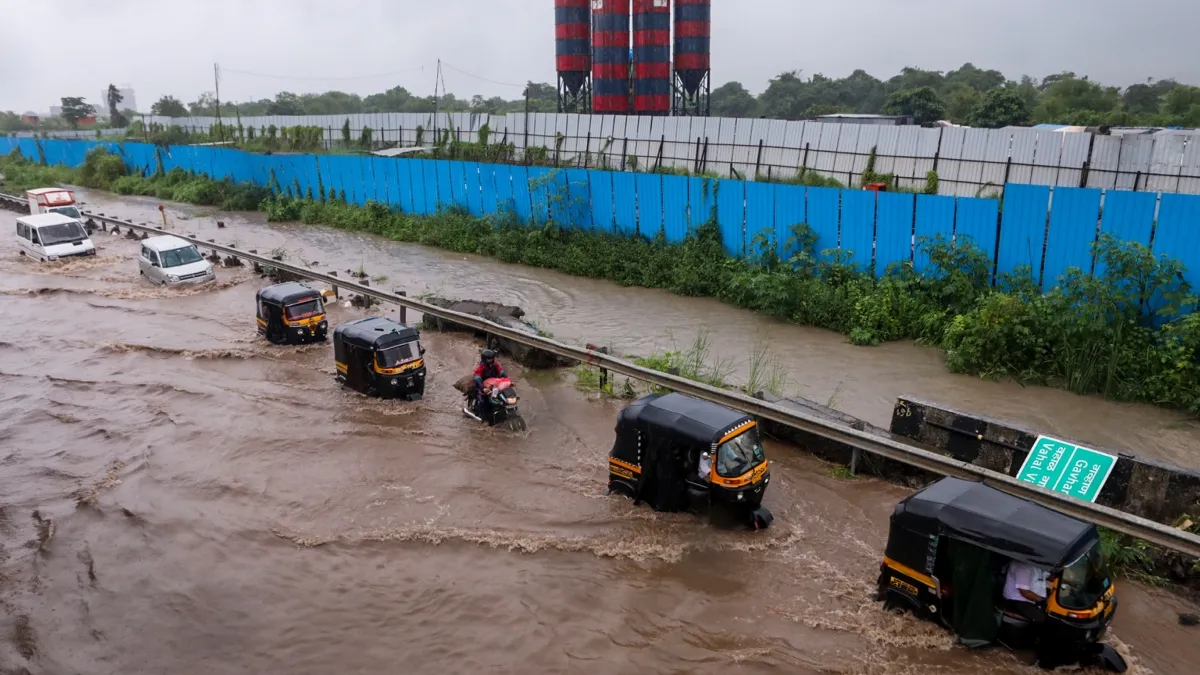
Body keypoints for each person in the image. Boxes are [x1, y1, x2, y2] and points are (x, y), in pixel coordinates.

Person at [1002, 559, 1049, 624]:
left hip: (1031, 601)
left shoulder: (1038, 566)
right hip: (1017, 601)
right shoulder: (1023, 566)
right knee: (1044, 620)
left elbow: (1047, 575)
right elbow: (1024, 592)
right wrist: (1043, 601)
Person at [473, 349, 506, 414]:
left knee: (503, 397)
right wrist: (483, 388)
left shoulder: (495, 365)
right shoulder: (481, 367)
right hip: (482, 387)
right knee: (484, 402)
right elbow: (477, 378)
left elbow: (501, 372)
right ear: (484, 359)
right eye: (489, 359)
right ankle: (484, 418)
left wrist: (508, 381)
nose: (491, 360)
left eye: (492, 358)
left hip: (493, 386)